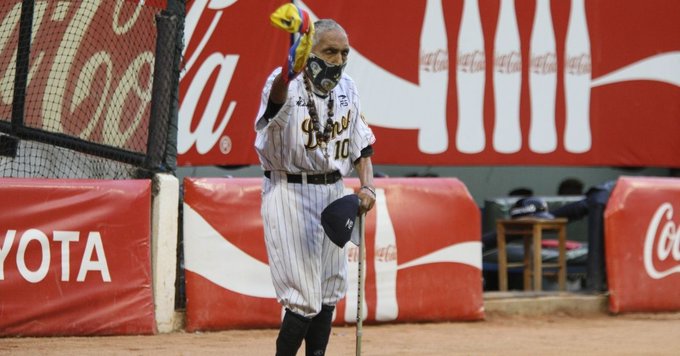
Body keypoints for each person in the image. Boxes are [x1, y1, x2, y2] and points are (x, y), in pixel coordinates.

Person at [254, 4, 376, 355]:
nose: (338, 60)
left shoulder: (349, 88)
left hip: (334, 193)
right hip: (290, 190)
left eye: (343, 53)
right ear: (310, 51)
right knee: (302, 299)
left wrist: (366, 185)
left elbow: (361, 144)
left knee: (328, 291)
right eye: (329, 51)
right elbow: (275, 105)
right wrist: (288, 71)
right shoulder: (285, 85)